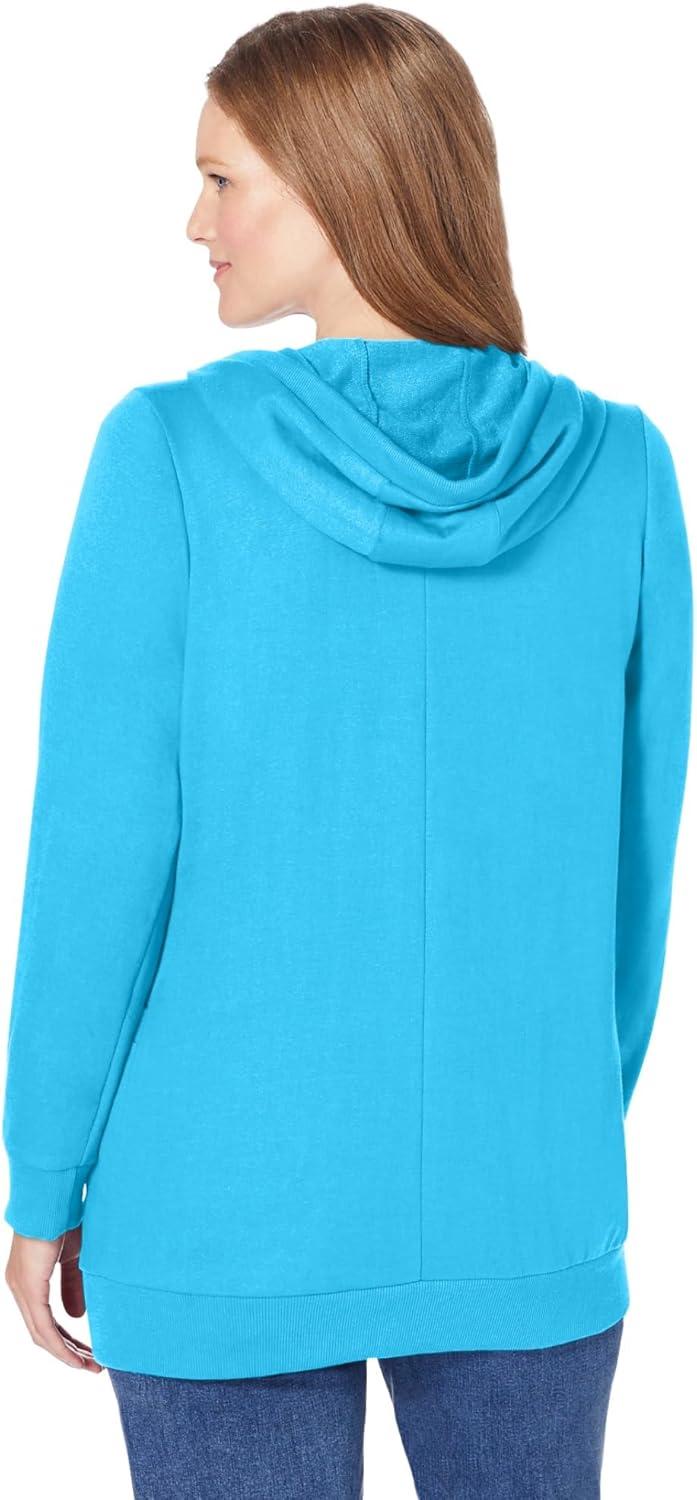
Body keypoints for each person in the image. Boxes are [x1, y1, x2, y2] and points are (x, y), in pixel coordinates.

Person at [2, 6, 692, 1497]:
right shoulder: (624, 473)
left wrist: (42, 1172)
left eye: (221, 179)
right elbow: (629, 894)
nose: (194, 223)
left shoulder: (169, 454)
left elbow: (98, 866)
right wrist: (540, 1127)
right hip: (527, 1197)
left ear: (337, 181)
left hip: (219, 1207)